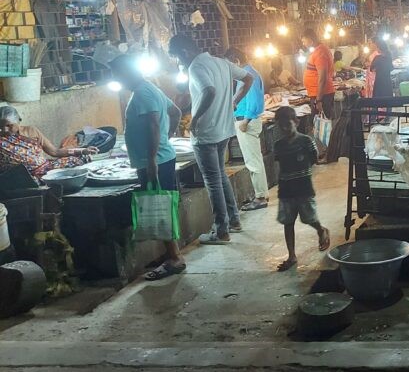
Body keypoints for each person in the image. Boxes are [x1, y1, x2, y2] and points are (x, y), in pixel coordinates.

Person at [169, 34, 253, 245]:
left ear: (185, 52)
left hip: (206, 132)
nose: (179, 63)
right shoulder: (221, 62)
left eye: (178, 58)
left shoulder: (196, 67)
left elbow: (209, 90)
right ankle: (234, 220)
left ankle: (221, 230)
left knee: (212, 180)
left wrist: (194, 120)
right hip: (223, 129)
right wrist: (233, 102)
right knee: (220, 176)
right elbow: (248, 78)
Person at [107, 54, 185, 280]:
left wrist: (151, 158)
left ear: (126, 73)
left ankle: (174, 258)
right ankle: (170, 253)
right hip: (158, 158)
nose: (117, 81)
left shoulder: (143, 93)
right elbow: (176, 112)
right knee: (162, 205)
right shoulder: (150, 89)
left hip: (155, 161)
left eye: (117, 76)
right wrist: (167, 136)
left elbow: (153, 123)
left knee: (160, 207)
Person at [272, 106, 331, 271]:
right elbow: (280, 164)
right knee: (288, 222)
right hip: (285, 190)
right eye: (281, 126)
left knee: (309, 218)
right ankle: (291, 255)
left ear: (296, 122)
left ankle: (321, 230)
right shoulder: (278, 145)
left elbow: (314, 159)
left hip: (304, 188)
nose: (284, 129)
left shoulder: (306, 141)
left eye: (288, 125)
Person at [225, 48, 269, 211]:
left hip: (246, 121)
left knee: (253, 161)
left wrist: (246, 120)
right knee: (254, 159)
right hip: (246, 120)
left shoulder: (248, 75)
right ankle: (261, 194)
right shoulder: (250, 73)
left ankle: (260, 198)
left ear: (235, 60)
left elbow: (255, 100)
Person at [0, 106, 95, 178]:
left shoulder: (31, 131)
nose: (4, 129)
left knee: (79, 159)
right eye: (0, 126)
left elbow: (55, 152)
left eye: (9, 125)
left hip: (46, 167)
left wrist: (82, 151)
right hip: (21, 178)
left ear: (18, 120)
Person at [300, 29, 337, 119]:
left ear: (310, 39)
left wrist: (319, 100)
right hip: (318, 94)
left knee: (323, 125)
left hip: (322, 95)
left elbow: (322, 77)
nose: (303, 44)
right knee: (319, 123)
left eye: (304, 41)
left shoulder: (320, 52)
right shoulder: (318, 50)